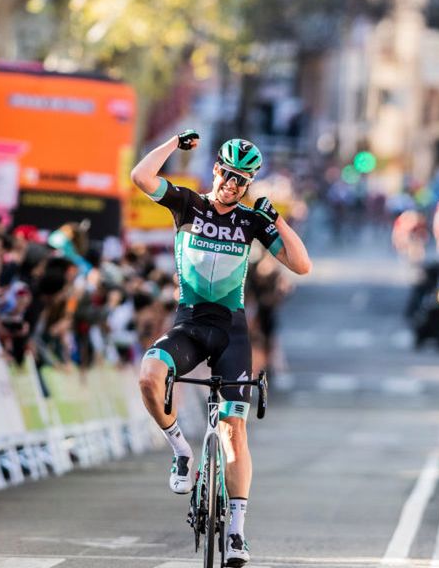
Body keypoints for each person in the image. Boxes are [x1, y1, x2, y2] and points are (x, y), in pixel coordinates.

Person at [131, 131, 311, 566]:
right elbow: (140, 175)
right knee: (150, 375)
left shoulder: (251, 222)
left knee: (234, 430)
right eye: (229, 175)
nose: (233, 185)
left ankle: (236, 532)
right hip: (190, 324)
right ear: (216, 169)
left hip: (231, 330)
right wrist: (175, 143)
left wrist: (278, 220)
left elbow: (302, 265)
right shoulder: (187, 204)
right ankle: (180, 450)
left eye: (243, 181)